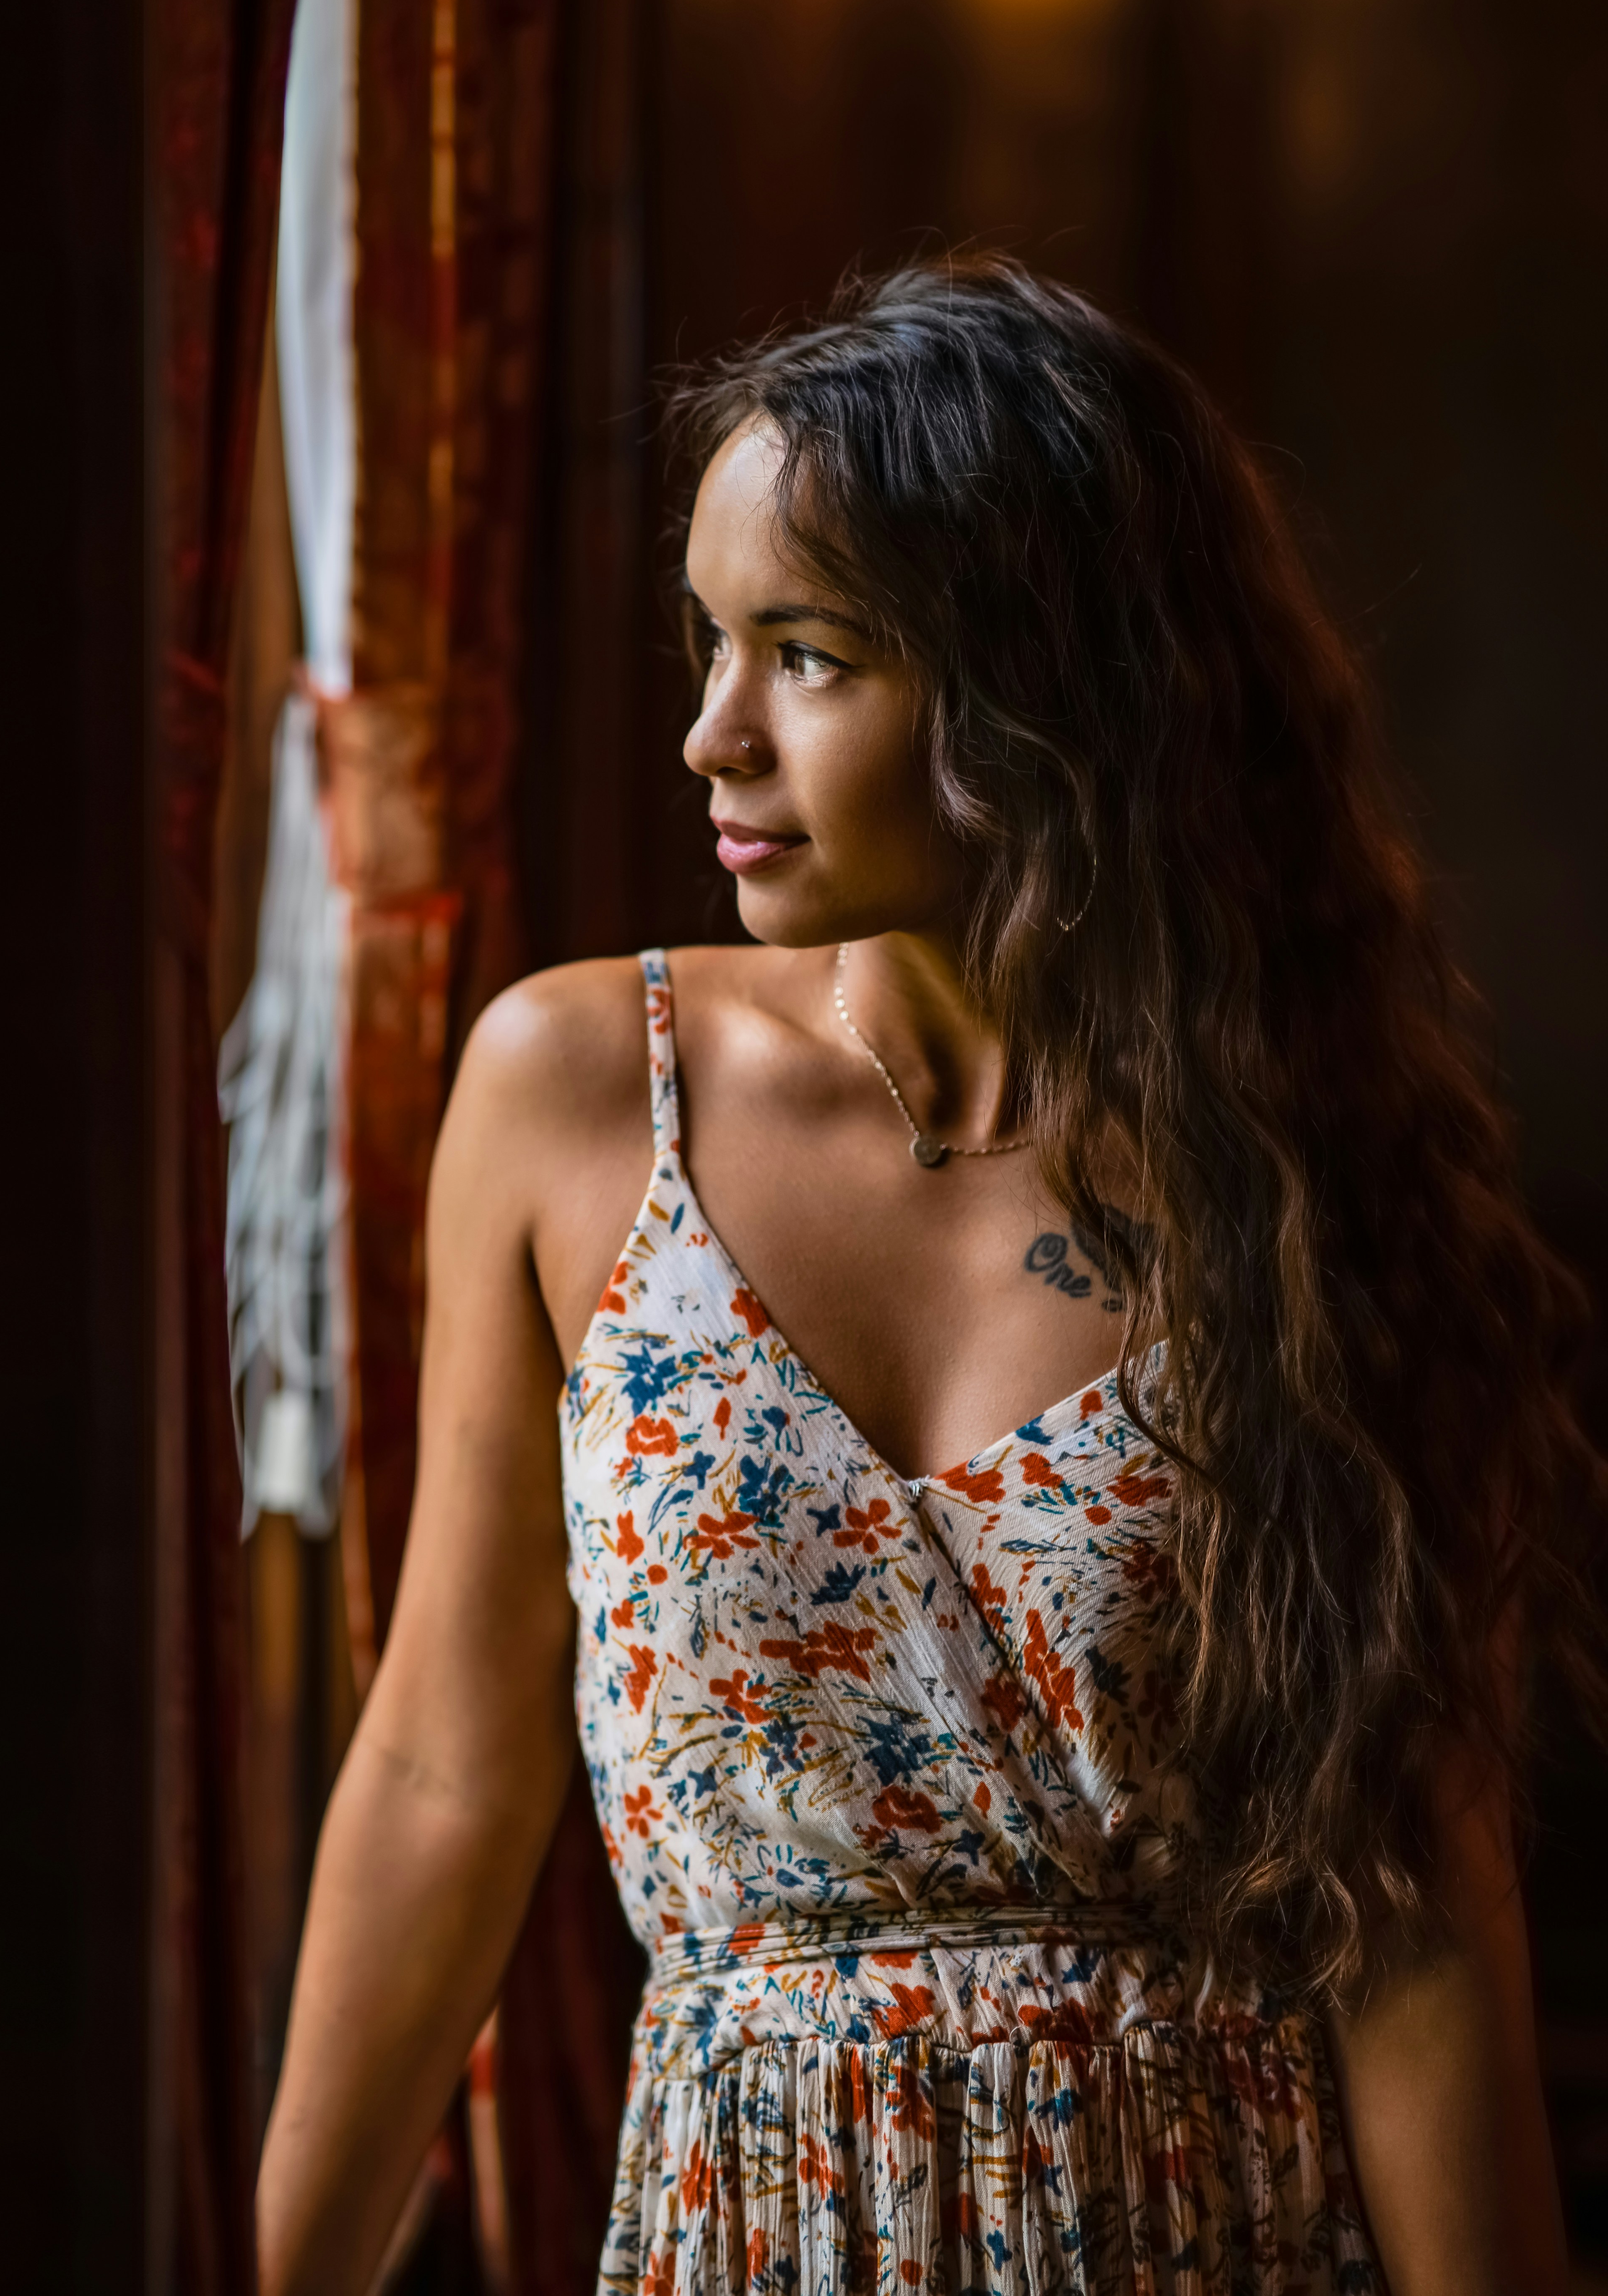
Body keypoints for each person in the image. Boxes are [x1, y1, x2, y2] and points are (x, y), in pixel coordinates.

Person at [256, 258, 1601, 2296]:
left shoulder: (1302, 1176)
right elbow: (447, 1755)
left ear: (1041, 682)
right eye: (708, 640)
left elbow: (1406, 1888)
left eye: (805, 655)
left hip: (1204, 2228)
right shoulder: (570, 1092)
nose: (712, 733)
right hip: (755, 2221)